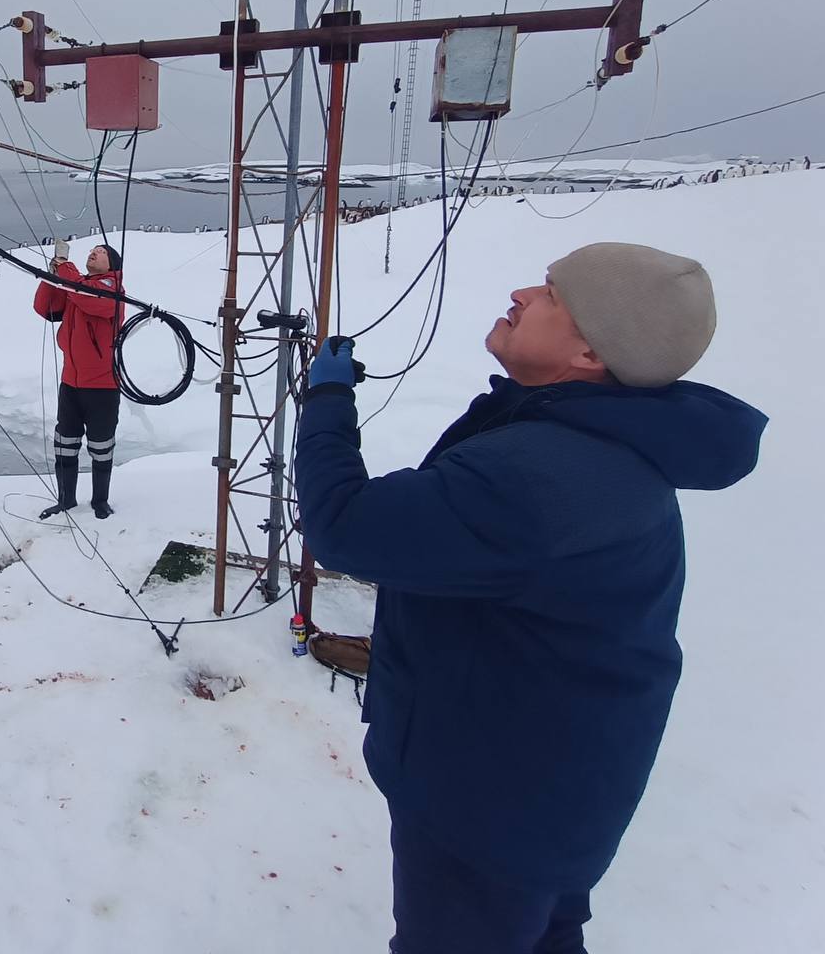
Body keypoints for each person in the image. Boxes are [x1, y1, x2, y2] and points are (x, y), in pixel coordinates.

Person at [295, 242, 767, 954]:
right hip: (552, 784)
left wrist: (326, 401)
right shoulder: (601, 432)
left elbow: (345, 526)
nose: (521, 294)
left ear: (590, 354)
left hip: (489, 808)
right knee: (545, 933)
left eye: (550, 294)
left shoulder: (544, 478)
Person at [33, 243, 125, 521]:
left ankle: (100, 501)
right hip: (71, 383)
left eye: (101, 252)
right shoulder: (78, 287)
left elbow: (89, 298)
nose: (93, 253)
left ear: (112, 265)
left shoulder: (112, 291)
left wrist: (65, 268)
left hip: (102, 386)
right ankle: (66, 500)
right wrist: (53, 278)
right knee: (65, 442)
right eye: (92, 250)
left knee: (100, 446)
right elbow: (46, 309)